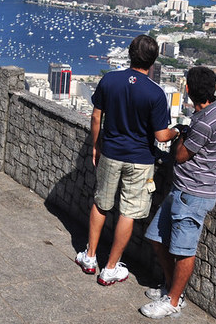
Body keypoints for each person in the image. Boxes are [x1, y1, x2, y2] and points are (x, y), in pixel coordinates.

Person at [75, 34, 180, 285]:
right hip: (141, 160)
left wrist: (95, 145)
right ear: (153, 61)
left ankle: (90, 257)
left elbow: (96, 118)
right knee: (128, 213)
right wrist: (179, 131)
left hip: (110, 152)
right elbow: (161, 136)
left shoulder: (110, 80)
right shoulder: (156, 93)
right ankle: (110, 268)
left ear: (130, 53)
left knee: (101, 203)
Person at [140, 66, 216, 319]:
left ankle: (174, 301)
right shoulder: (209, 113)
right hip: (182, 190)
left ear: (187, 90)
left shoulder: (205, 122)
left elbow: (179, 155)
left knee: (184, 251)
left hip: (193, 194)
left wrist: (180, 131)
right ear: (213, 90)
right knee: (156, 237)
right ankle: (170, 288)